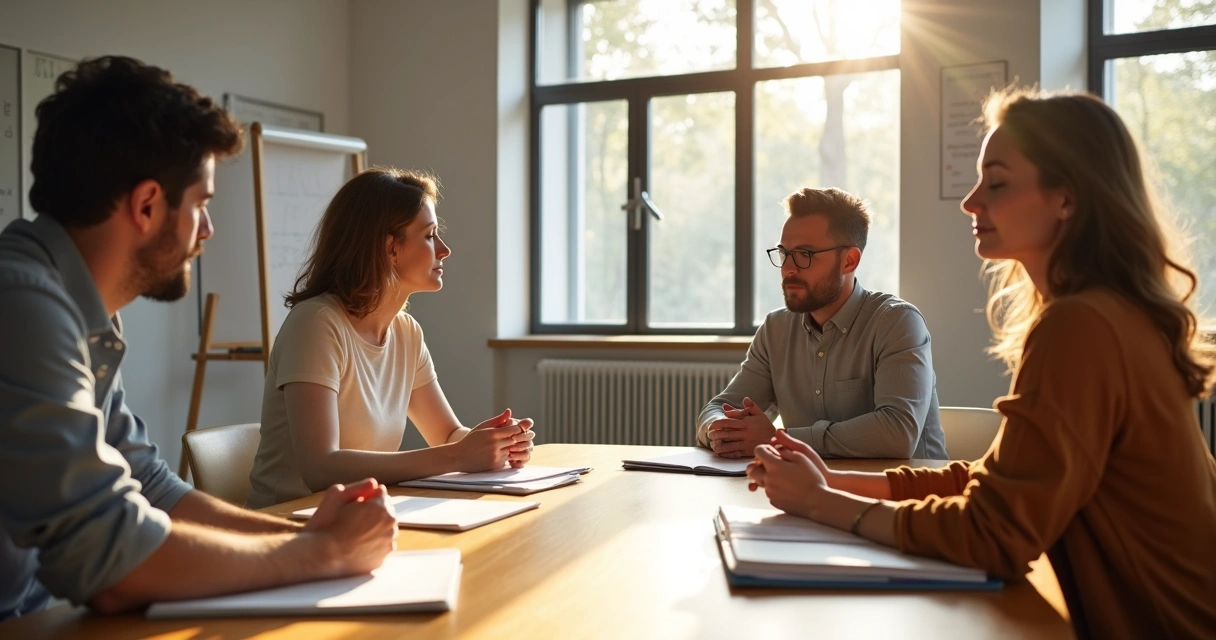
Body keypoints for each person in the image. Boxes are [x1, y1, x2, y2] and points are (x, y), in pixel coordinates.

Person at [746, 88, 1216, 638]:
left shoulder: (1082, 327)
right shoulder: (1104, 314)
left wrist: (824, 503)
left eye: (996, 183)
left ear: (1067, 198)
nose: (970, 202)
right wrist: (838, 479)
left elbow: (993, 534)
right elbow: (995, 481)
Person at [0, 56, 398, 620]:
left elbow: (153, 489)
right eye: (202, 205)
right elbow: (110, 565)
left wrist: (305, 539)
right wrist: (319, 554)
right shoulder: (21, 306)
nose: (208, 230)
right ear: (145, 206)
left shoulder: (72, 306)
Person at [245, 168, 536, 508]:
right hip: (288, 525)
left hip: (359, 521)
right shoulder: (316, 323)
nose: (444, 250)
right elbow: (320, 468)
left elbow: (445, 436)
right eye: (430, 236)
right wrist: (458, 456)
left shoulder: (406, 332)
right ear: (390, 250)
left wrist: (493, 442)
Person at [697, 187, 946, 459]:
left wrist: (779, 440)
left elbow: (897, 434)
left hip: (907, 495)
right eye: (783, 253)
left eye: (805, 255)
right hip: (812, 493)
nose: (788, 269)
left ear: (849, 261)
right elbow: (719, 407)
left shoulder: (897, 322)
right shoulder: (776, 329)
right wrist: (719, 430)